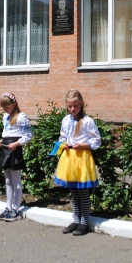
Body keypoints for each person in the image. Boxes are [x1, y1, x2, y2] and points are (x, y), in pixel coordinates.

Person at [54, 89, 101, 236]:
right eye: (69, 106)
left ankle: (84, 222)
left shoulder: (87, 121)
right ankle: (76, 220)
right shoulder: (66, 120)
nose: (72, 109)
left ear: (81, 104)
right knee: (74, 192)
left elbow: (96, 141)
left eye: (75, 106)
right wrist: (62, 144)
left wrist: (83, 145)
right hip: (69, 157)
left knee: (83, 192)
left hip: (81, 158)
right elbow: (63, 136)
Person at [0, 92, 32, 222]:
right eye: (3, 107)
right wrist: (2, 141)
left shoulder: (21, 117)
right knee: (7, 180)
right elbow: (7, 132)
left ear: (14, 104)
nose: (5, 109)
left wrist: (16, 144)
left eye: (7, 107)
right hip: (6, 147)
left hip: (14, 149)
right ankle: (8, 207)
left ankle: (16, 210)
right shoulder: (5, 116)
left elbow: (28, 136)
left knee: (16, 181)